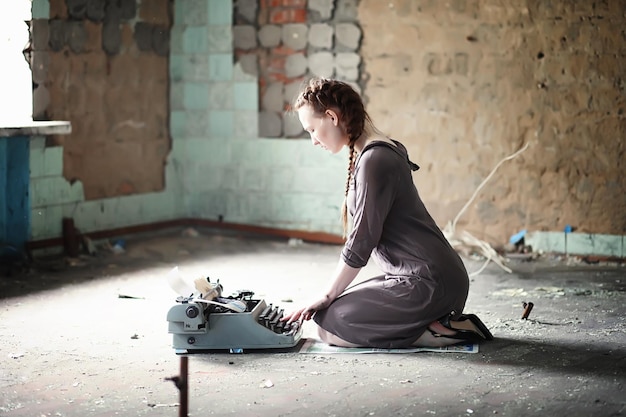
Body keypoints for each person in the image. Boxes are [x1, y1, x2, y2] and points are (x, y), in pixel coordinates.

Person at [282, 77, 493, 349]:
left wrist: (327, 294)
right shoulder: (378, 150)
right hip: (422, 276)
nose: (313, 140)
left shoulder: (375, 159)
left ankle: (441, 333)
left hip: (428, 281)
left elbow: (361, 243)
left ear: (332, 117)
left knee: (332, 322)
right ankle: (435, 323)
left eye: (312, 129)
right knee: (326, 318)